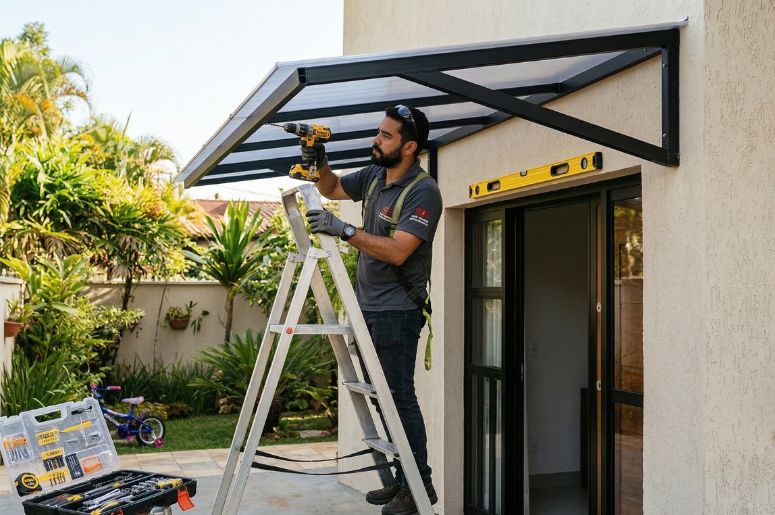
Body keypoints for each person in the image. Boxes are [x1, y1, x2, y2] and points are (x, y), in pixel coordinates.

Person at [303, 104, 442, 514]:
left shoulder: (423, 192)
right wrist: (319, 159)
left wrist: (344, 230)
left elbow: (399, 252)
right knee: (384, 400)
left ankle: (419, 486)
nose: (375, 140)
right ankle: (404, 477)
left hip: (397, 312)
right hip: (367, 308)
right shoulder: (376, 176)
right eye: (378, 132)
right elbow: (330, 187)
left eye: (385, 135)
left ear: (409, 147)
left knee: (399, 398)